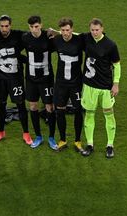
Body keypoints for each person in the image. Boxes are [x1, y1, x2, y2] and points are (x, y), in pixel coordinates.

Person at [0, 15, 33, 145]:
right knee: (1, 105)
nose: (4, 29)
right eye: (2, 26)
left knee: (20, 105)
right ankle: (1, 132)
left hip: (15, 79)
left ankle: (26, 133)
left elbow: (35, 35)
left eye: (6, 26)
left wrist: (49, 33)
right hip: (0, 79)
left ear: (10, 25)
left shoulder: (19, 35)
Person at [80, 18, 121, 158]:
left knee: (109, 115)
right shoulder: (86, 38)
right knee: (89, 114)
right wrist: (55, 33)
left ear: (102, 29)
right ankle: (90, 144)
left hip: (105, 87)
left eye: (97, 30)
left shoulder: (110, 45)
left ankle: (110, 146)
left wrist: (115, 83)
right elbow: (70, 35)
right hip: (89, 86)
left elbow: (116, 65)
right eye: (92, 30)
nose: (94, 32)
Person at [21, 15, 58, 150]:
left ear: (41, 25)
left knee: (49, 107)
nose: (34, 29)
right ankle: (38, 136)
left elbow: (62, 45)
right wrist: (25, 61)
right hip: (31, 79)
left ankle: (52, 137)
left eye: (36, 27)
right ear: (28, 27)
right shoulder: (25, 37)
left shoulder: (48, 37)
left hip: (46, 79)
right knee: (33, 106)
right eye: (31, 27)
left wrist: (56, 34)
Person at [51, 17, 84, 152]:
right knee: (60, 111)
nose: (65, 33)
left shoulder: (80, 40)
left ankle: (77, 141)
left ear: (72, 29)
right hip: (61, 84)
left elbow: (99, 36)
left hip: (76, 83)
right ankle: (63, 139)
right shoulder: (56, 40)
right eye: (63, 30)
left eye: (68, 30)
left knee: (78, 111)